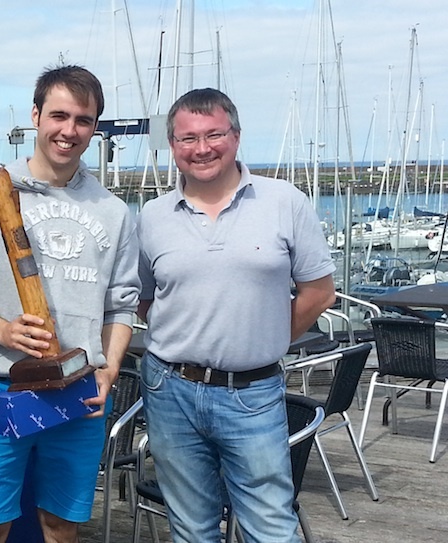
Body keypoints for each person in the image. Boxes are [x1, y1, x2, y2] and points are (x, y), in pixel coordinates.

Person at [0, 65, 140, 543]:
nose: (69, 131)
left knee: (61, 527)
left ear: (95, 128)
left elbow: (120, 305)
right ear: (35, 115)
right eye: (59, 115)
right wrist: (3, 332)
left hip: (80, 393)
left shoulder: (112, 212)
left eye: (83, 120)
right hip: (0, 389)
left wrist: (108, 370)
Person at [136, 88, 336, 542]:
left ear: (237, 136)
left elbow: (319, 293)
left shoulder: (284, 201)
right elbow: (146, 300)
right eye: (188, 138)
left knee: (271, 527)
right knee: (189, 526)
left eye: (214, 134)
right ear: (172, 147)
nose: (202, 148)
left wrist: (263, 338)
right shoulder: (152, 215)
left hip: (253, 392)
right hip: (169, 390)